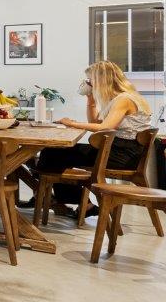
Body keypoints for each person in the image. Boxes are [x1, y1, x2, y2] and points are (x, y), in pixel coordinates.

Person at [35, 60, 153, 214]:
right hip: (121, 151)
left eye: (90, 80)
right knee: (53, 154)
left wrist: (71, 123)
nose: (89, 83)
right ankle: (60, 199)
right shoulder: (124, 97)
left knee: (51, 153)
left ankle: (45, 195)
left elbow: (105, 127)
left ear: (101, 80)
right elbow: (95, 122)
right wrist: (90, 99)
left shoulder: (124, 100)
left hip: (120, 155)